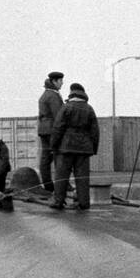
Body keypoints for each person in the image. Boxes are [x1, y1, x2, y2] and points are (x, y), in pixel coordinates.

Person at [50, 82, 99, 211]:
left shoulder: (66, 107)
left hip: (66, 147)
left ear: (71, 93)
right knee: (82, 177)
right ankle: (83, 203)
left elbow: (58, 127)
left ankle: (59, 201)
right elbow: (95, 131)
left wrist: (53, 145)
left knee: (62, 175)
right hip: (84, 148)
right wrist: (93, 148)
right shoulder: (89, 108)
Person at [37, 71, 65, 193]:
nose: (62, 83)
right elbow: (59, 115)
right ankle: (61, 184)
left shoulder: (46, 94)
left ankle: (48, 184)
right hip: (52, 130)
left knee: (46, 158)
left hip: (44, 129)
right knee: (59, 156)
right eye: (60, 81)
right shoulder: (53, 95)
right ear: (54, 81)